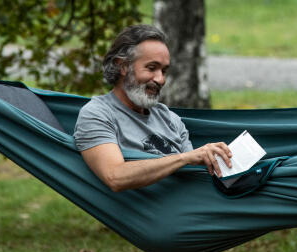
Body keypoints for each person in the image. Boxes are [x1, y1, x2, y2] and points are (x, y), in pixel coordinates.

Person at [74, 24, 232, 192]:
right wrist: (185, 158)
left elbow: (193, 176)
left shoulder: (169, 118)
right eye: (152, 68)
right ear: (122, 66)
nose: (160, 79)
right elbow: (115, 176)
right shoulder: (97, 114)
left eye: (164, 71)